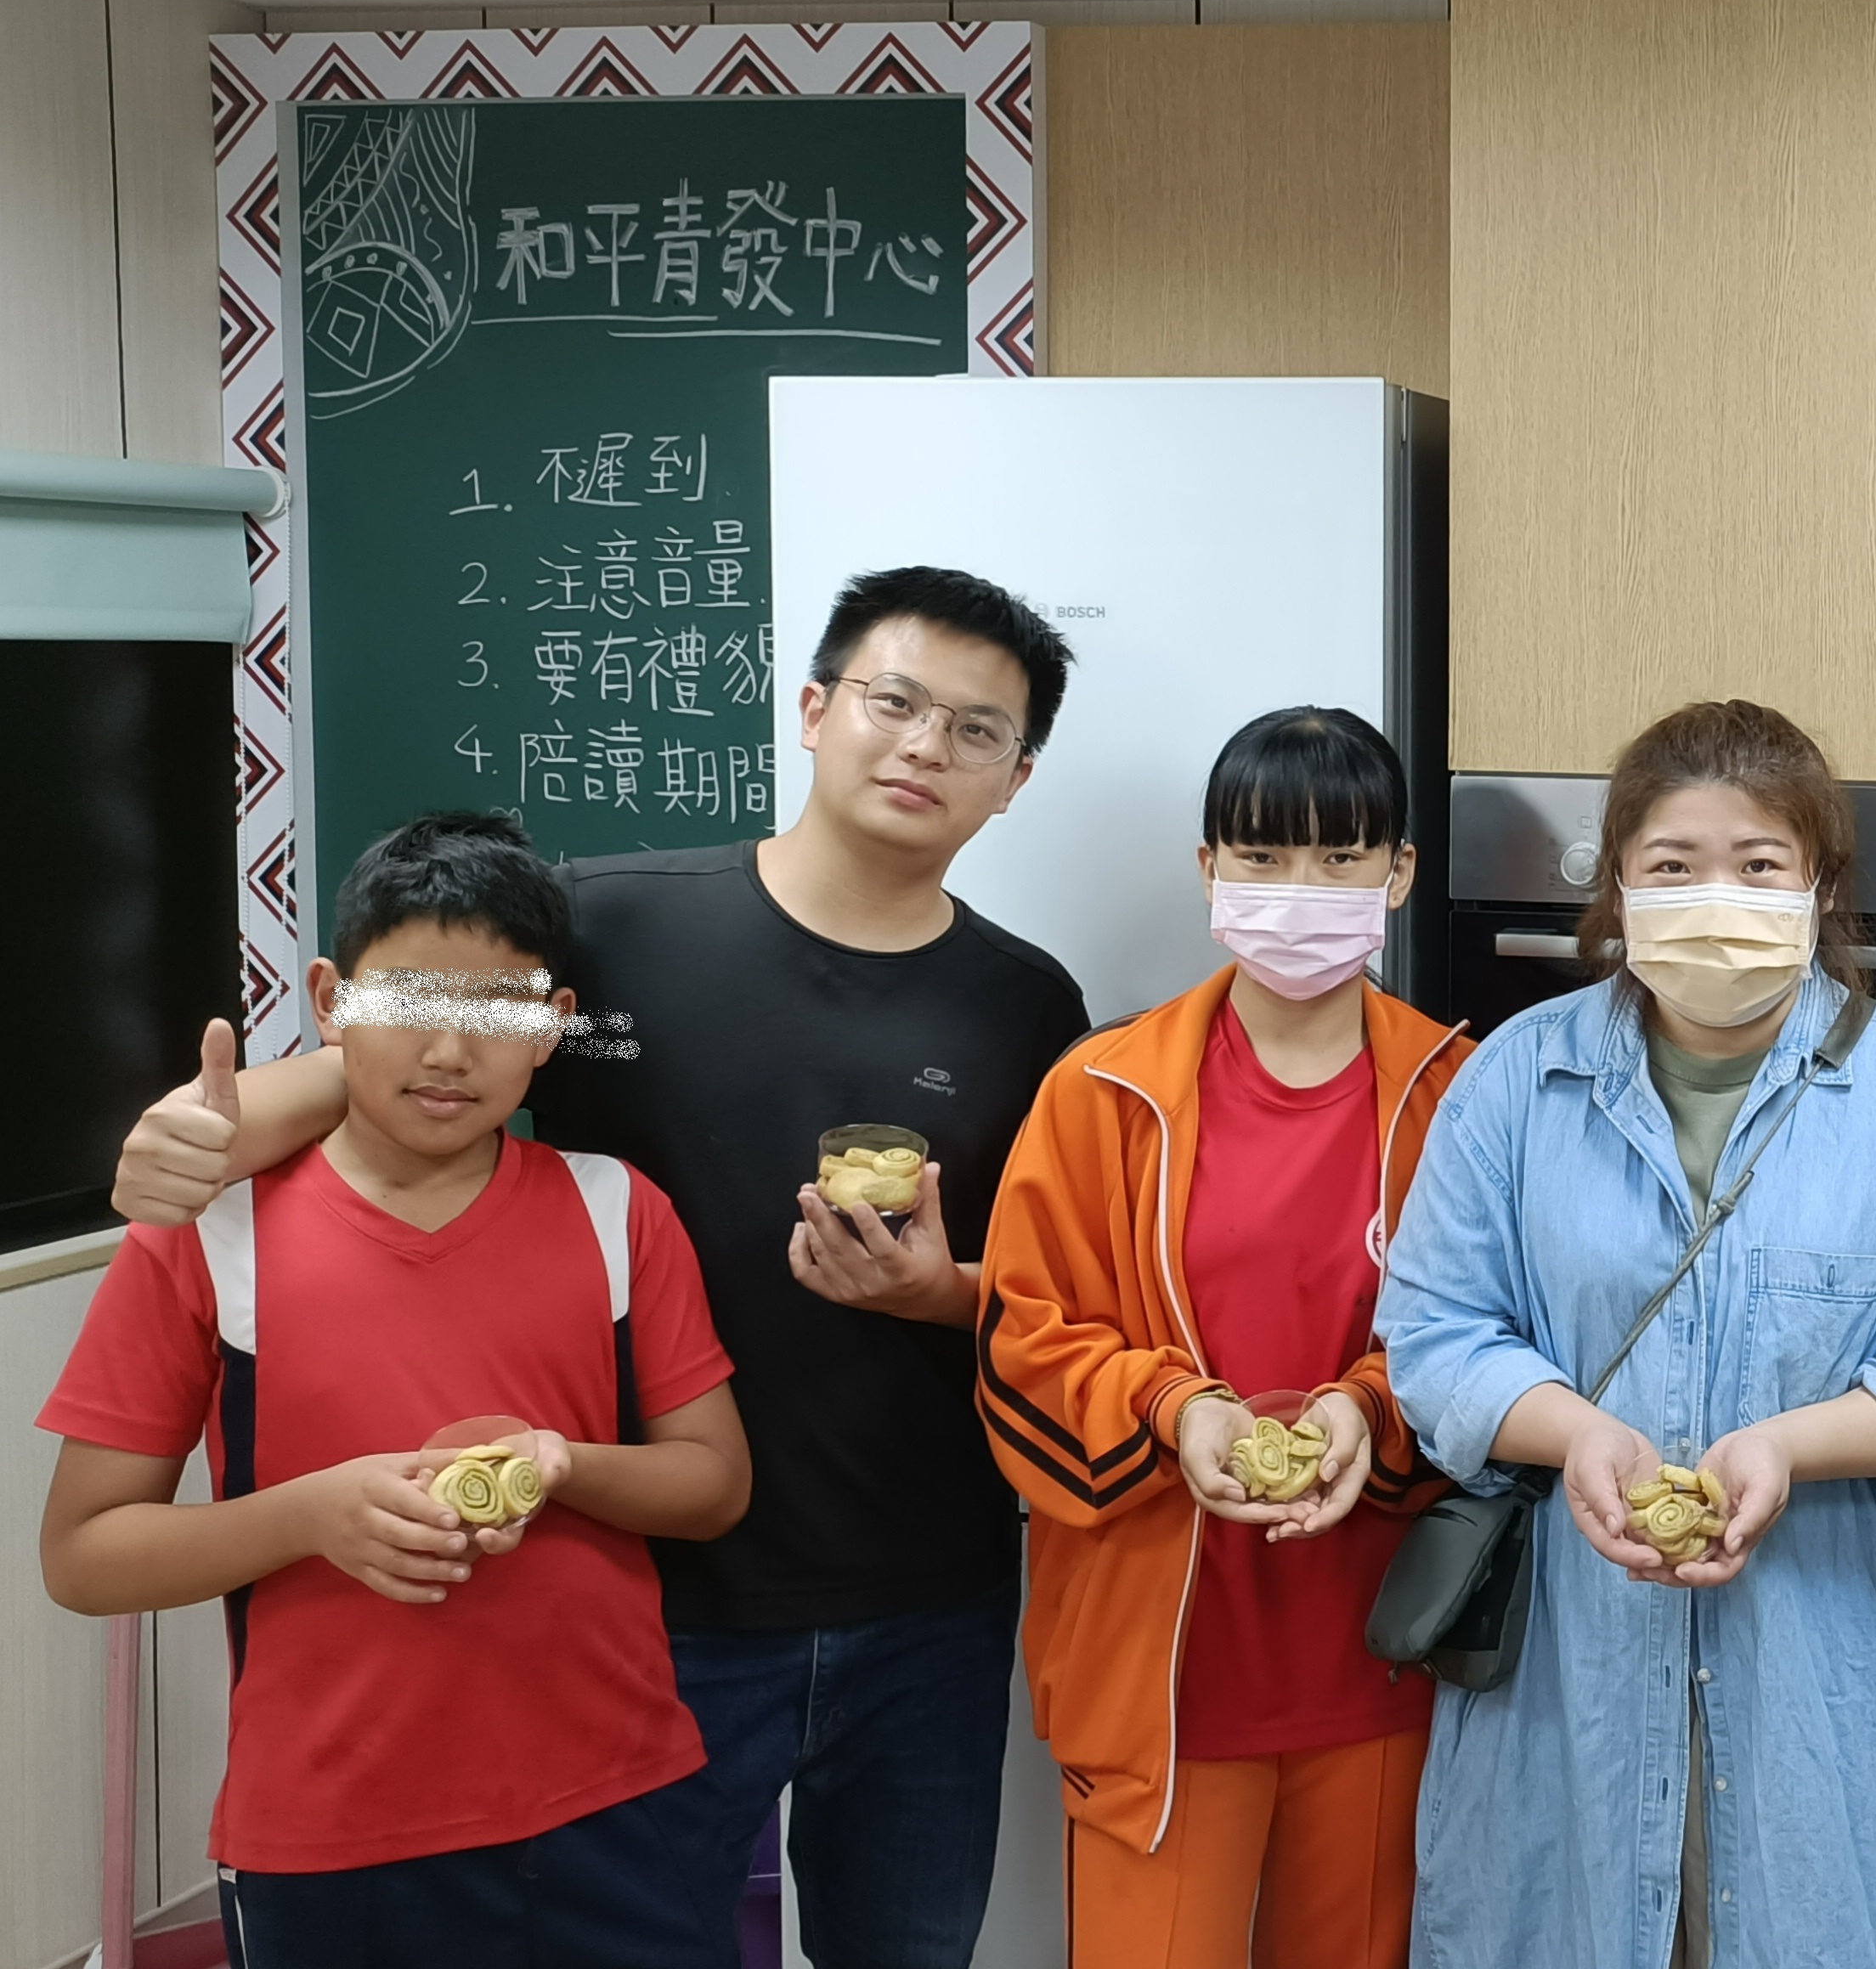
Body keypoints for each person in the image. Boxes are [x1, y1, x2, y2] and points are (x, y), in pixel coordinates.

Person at [110, 567, 1093, 1967]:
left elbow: (1060, 1288)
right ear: (815, 709)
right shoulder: (617, 924)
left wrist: (937, 1292)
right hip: (647, 1596)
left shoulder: (1027, 1001)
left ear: (1016, 778)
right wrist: (208, 1130)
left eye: (976, 729)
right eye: (895, 701)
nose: (926, 745)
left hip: (927, 1595)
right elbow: (423, 1053)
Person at [1375, 699, 1876, 1969]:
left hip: (1827, 1691)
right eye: (1673, 866)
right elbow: (1436, 1332)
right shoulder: (1515, 1080)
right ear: (1619, 885)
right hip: (1563, 1682)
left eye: (1759, 865)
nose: (1715, 898)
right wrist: (1574, 1434)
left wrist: (1789, 1447)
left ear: (1820, 887)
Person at [39, 813, 749, 1964]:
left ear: (552, 1025)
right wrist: (313, 1516)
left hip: (622, 1802)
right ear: (332, 1001)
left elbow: (713, 1485)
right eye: (411, 998)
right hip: (331, 1827)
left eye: (498, 1009)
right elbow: (82, 1555)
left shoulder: (616, 1209)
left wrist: (562, 1464)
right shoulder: (212, 1235)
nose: (451, 1049)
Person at [979, 706, 1474, 1969]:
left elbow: (1507, 1337)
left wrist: (1367, 1407)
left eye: (1339, 858)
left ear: (1398, 874)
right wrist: (1173, 1408)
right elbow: (1023, 1337)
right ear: (1210, 870)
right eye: (1261, 856)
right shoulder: (1102, 1091)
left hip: (1386, 1658)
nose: (1298, 890)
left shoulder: (1463, 1097)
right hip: (1160, 1670)